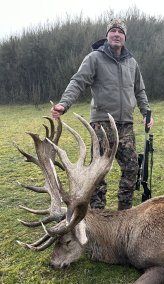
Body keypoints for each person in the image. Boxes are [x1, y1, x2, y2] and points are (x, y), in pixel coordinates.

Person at [51, 18, 153, 210]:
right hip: (102, 125)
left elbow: (140, 91)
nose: (116, 34)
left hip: (126, 126)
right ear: (107, 35)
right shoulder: (94, 58)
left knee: (131, 169)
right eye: (113, 31)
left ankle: (125, 212)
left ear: (125, 37)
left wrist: (146, 112)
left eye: (120, 32)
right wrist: (64, 104)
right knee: (98, 173)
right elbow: (78, 81)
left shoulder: (131, 62)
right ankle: (98, 215)